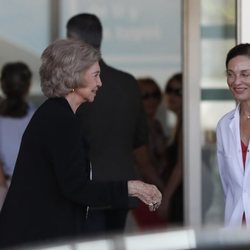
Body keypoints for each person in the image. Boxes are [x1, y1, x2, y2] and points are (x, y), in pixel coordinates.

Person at [0, 39, 162, 249]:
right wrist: (132, 188)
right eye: (95, 75)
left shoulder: (57, 114)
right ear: (73, 78)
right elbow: (77, 188)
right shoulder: (60, 120)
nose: (100, 83)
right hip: (35, 238)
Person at [66, 13, 163, 234]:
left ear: (72, 40)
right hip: (122, 187)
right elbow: (140, 143)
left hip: (87, 190)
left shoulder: (74, 86)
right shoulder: (128, 83)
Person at [216, 43, 250, 227]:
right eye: (231, 74)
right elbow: (227, 184)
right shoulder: (224, 125)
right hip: (237, 229)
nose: (236, 81)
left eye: (245, 74)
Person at [132, 77, 168, 230]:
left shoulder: (157, 125)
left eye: (155, 95)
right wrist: (165, 194)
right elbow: (145, 165)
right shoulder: (136, 126)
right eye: (145, 96)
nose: (151, 100)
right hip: (145, 195)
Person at [0, 62, 35, 209]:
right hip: (35, 190)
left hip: (6, 192)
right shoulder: (38, 117)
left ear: (2, 86)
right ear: (28, 86)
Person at [158, 73, 183, 226]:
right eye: (169, 90)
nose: (172, 95)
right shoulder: (178, 124)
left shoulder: (186, 124)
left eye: (179, 92)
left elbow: (181, 166)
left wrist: (165, 198)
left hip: (183, 193)